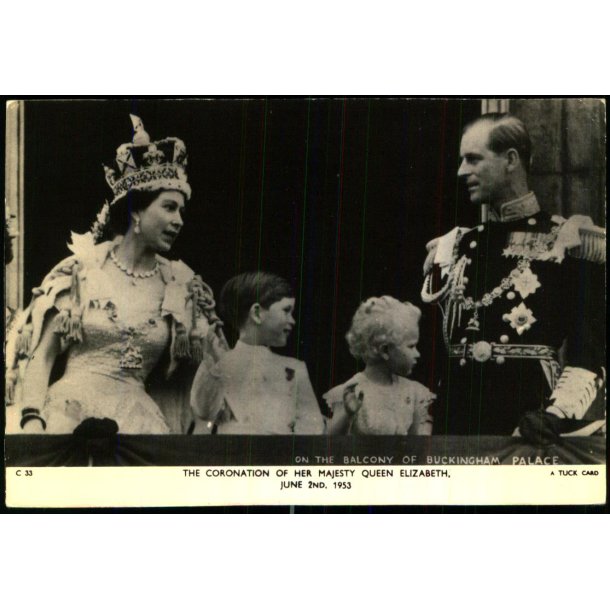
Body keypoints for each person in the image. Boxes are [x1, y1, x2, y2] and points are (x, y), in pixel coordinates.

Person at [5, 115, 226, 435]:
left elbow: (204, 375)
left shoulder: (179, 284)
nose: (179, 220)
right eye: (168, 207)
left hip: (139, 426)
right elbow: (42, 358)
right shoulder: (83, 270)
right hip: (66, 418)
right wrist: (32, 420)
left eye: (181, 210)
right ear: (136, 210)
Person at [421, 113, 605, 439]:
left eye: (473, 159)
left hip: (528, 426)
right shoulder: (455, 246)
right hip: (455, 426)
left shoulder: (569, 241)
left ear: (510, 160)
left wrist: (557, 413)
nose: (462, 171)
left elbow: (589, 346)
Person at [190, 271, 325, 435]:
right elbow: (204, 411)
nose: (292, 320)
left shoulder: (294, 368)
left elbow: (314, 428)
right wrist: (215, 365)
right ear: (256, 313)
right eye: (286, 310)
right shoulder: (220, 365)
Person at [324, 297, 434, 435]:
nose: (417, 354)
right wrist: (347, 415)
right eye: (411, 346)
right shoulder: (353, 392)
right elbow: (326, 444)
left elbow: (418, 447)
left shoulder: (414, 392)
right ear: (385, 350)